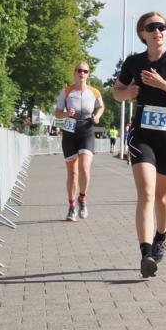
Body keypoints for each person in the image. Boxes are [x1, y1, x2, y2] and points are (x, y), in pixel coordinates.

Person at [113, 12, 166, 278]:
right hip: (142, 135)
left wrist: (163, 84)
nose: (157, 31)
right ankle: (146, 254)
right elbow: (117, 91)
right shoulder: (134, 62)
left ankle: (161, 236)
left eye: (162, 27)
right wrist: (127, 94)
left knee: (162, 197)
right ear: (143, 33)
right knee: (147, 194)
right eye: (152, 27)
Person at [55, 62, 104, 221]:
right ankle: (71, 206)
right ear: (74, 73)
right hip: (70, 131)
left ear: (88, 74)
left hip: (87, 131)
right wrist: (66, 113)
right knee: (73, 173)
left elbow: (101, 107)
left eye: (85, 71)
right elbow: (57, 113)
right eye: (79, 70)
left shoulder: (94, 92)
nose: (82, 73)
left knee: (84, 169)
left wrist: (97, 116)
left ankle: (82, 199)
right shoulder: (67, 91)